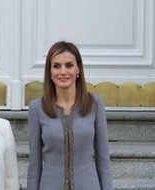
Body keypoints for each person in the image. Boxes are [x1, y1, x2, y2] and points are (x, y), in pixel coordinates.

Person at [27, 41, 113, 190]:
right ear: (49, 71)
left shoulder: (95, 104)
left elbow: (103, 161)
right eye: (56, 66)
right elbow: (34, 165)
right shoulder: (37, 108)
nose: (63, 72)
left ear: (78, 68)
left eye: (69, 65)